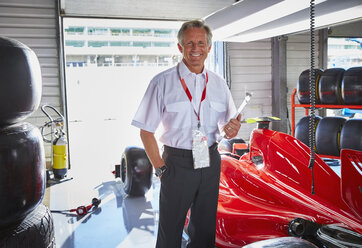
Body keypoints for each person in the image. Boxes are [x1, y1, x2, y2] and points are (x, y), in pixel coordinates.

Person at [131, 20, 241, 248]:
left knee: (205, 229)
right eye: (189, 43)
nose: (195, 48)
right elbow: (146, 132)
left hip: (210, 160)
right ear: (180, 47)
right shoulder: (162, 83)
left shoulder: (219, 84)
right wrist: (162, 170)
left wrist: (231, 129)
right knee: (170, 231)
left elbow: (227, 126)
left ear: (209, 48)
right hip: (177, 164)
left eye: (201, 43)